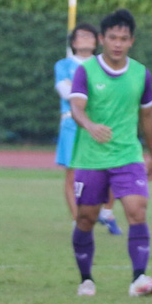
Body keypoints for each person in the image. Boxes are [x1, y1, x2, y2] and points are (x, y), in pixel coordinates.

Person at [66, 8, 152, 299]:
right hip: (91, 158)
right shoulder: (86, 71)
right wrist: (89, 125)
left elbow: (147, 116)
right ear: (101, 39)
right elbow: (76, 108)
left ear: (131, 41)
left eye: (124, 38)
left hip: (128, 156)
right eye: (112, 38)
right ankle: (86, 279)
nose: (118, 44)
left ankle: (139, 278)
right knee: (86, 218)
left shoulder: (140, 73)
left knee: (137, 211)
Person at [55, 24, 119, 234]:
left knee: (111, 168)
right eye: (79, 35)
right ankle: (77, 222)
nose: (84, 38)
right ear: (73, 43)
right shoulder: (63, 65)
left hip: (101, 124)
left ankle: (106, 212)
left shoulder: (105, 65)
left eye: (89, 35)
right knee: (72, 175)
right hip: (72, 125)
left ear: (96, 41)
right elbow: (67, 92)